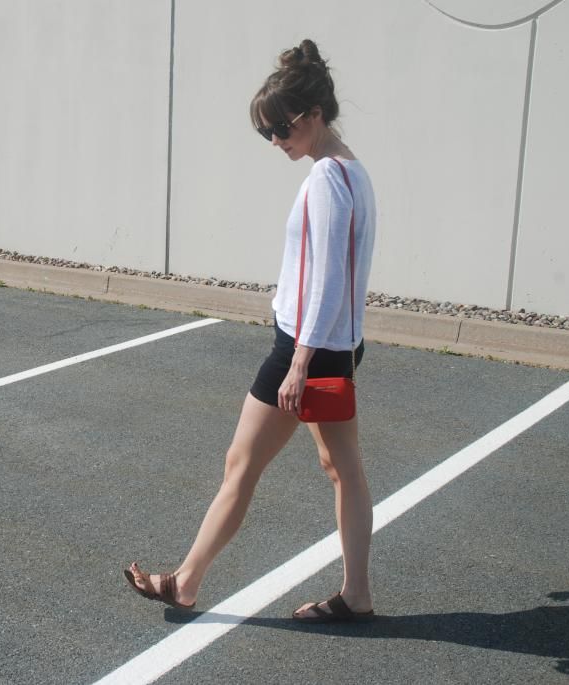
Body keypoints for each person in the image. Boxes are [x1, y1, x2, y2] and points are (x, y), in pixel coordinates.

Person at [124, 39, 377, 623]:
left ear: (313, 116)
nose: (275, 142)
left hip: (305, 347)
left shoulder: (325, 182)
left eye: (281, 129)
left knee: (243, 463)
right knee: (343, 470)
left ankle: (184, 583)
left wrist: (298, 362)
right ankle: (357, 593)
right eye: (267, 132)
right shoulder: (353, 173)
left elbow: (324, 282)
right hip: (336, 346)